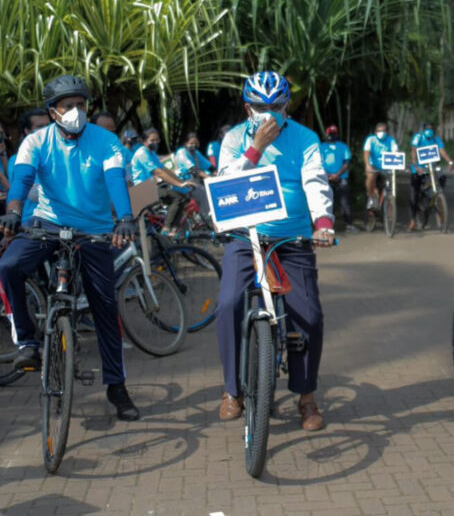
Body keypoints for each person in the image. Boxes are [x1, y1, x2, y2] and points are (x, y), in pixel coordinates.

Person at [0, 75, 140, 421]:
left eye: (81, 104)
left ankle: (117, 387)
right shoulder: (35, 142)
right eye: (68, 105)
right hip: (48, 224)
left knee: (105, 305)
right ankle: (28, 342)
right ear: (52, 111)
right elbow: (22, 180)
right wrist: (13, 213)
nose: (76, 111)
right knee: (8, 267)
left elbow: (116, 180)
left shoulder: (107, 141)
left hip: (95, 231)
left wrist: (126, 218)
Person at [214, 71, 334, 429]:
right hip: (245, 236)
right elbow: (224, 184)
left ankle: (306, 396)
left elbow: (315, 182)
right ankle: (232, 390)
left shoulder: (306, 138)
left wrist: (323, 223)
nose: (269, 113)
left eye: (277, 106)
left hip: (292, 238)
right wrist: (256, 149)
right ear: (247, 106)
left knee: (309, 317)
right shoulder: (234, 138)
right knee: (229, 303)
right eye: (261, 107)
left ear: (287, 106)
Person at [129, 128, 199, 234]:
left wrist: (182, 182)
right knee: (178, 198)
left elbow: (164, 169)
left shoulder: (151, 153)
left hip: (149, 187)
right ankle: (167, 229)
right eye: (152, 140)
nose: (156, 143)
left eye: (157, 140)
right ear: (144, 141)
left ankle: (173, 230)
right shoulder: (142, 153)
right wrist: (179, 184)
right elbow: (158, 172)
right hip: (141, 191)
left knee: (182, 198)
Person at [408, 122, 453, 231]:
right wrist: (415, 164)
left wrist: (449, 161)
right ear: (423, 129)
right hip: (418, 169)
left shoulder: (436, 139)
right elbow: (413, 151)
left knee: (441, 182)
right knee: (414, 195)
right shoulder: (418, 137)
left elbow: (442, 151)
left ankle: (441, 215)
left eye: (431, 128)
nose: (429, 130)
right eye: (427, 128)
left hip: (431, 169)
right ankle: (413, 221)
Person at [320, 124, 353, 229]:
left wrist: (337, 175)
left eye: (333, 134)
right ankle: (325, 226)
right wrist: (328, 175)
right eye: (330, 133)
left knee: (344, 202)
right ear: (326, 134)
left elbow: (346, 163)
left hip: (341, 177)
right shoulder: (321, 147)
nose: (331, 135)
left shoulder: (343, 147)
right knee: (324, 201)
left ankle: (348, 224)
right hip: (326, 177)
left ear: (337, 134)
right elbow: (317, 163)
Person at [362, 122, 398, 212]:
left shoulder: (391, 140)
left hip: (387, 167)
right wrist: (367, 165)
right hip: (373, 166)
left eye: (383, 131)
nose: (381, 133)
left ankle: (390, 204)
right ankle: (370, 197)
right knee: (370, 176)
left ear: (387, 132)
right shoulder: (371, 140)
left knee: (390, 182)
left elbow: (396, 152)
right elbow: (366, 152)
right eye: (379, 131)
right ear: (375, 132)